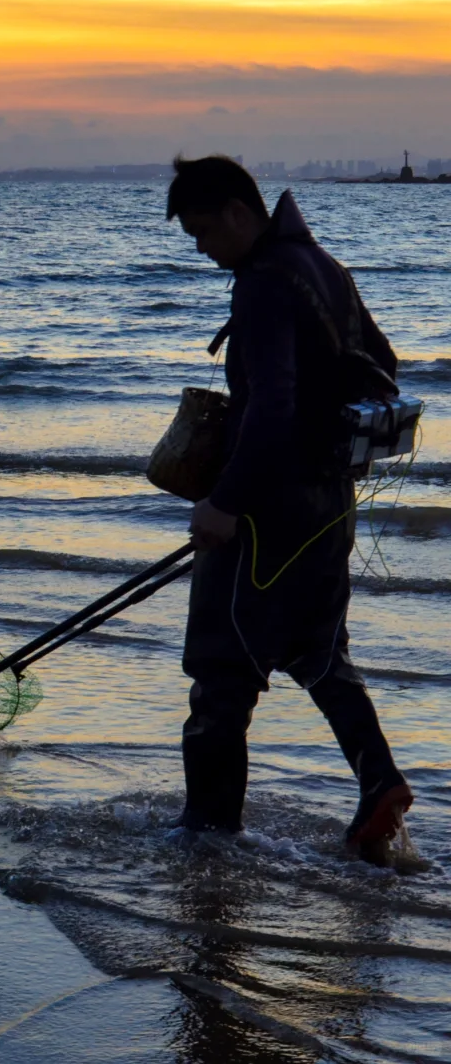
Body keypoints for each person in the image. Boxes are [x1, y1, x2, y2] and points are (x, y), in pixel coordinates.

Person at [166, 155, 412, 861]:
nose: (202, 246)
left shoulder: (265, 285)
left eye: (205, 230)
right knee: (320, 650)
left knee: (220, 671)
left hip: (268, 511)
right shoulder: (324, 266)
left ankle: (206, 838)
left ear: (242, 213)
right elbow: (385, 365)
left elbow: (270, 407)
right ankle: (380, 784)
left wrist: (224, 502)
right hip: (329, 503)